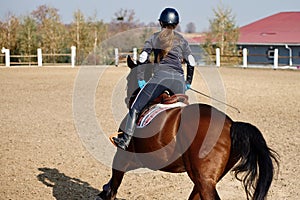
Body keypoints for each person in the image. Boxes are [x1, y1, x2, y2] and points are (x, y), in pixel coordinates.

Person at [112, 7, 196, 150]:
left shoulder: (154, 38)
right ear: (176, 24)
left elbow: (143, 58)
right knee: (183, 112)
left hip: (160, 79)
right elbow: (191, 61)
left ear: (161, 23)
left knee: (135, 108)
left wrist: (140, 78)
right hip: (179, 82)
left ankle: (125, 141)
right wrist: (188, 82)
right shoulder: (182, 40)